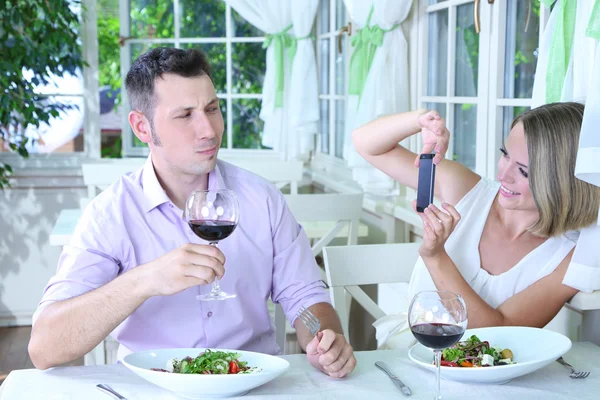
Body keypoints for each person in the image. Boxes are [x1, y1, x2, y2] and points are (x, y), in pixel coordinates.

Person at [28, 47, 356, 378]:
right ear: (142, 127)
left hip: (251, 385)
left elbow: (303, 295)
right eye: (185, 115)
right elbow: (44, 347)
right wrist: (145, 279)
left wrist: (321, 336)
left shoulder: (263, 199)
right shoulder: (110, 214)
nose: (209, 131)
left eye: (212, 109)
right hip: (152, 389)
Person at [352, 102, 600, 342]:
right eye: (505, 155)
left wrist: (436, 256)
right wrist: (422, 120)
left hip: (491, 375)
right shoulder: (467, 190)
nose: (503, 174)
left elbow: (494, 333)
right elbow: (366, 143)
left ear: (563, 182)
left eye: (523, 171)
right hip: (415, 354)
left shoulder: (572, 256)